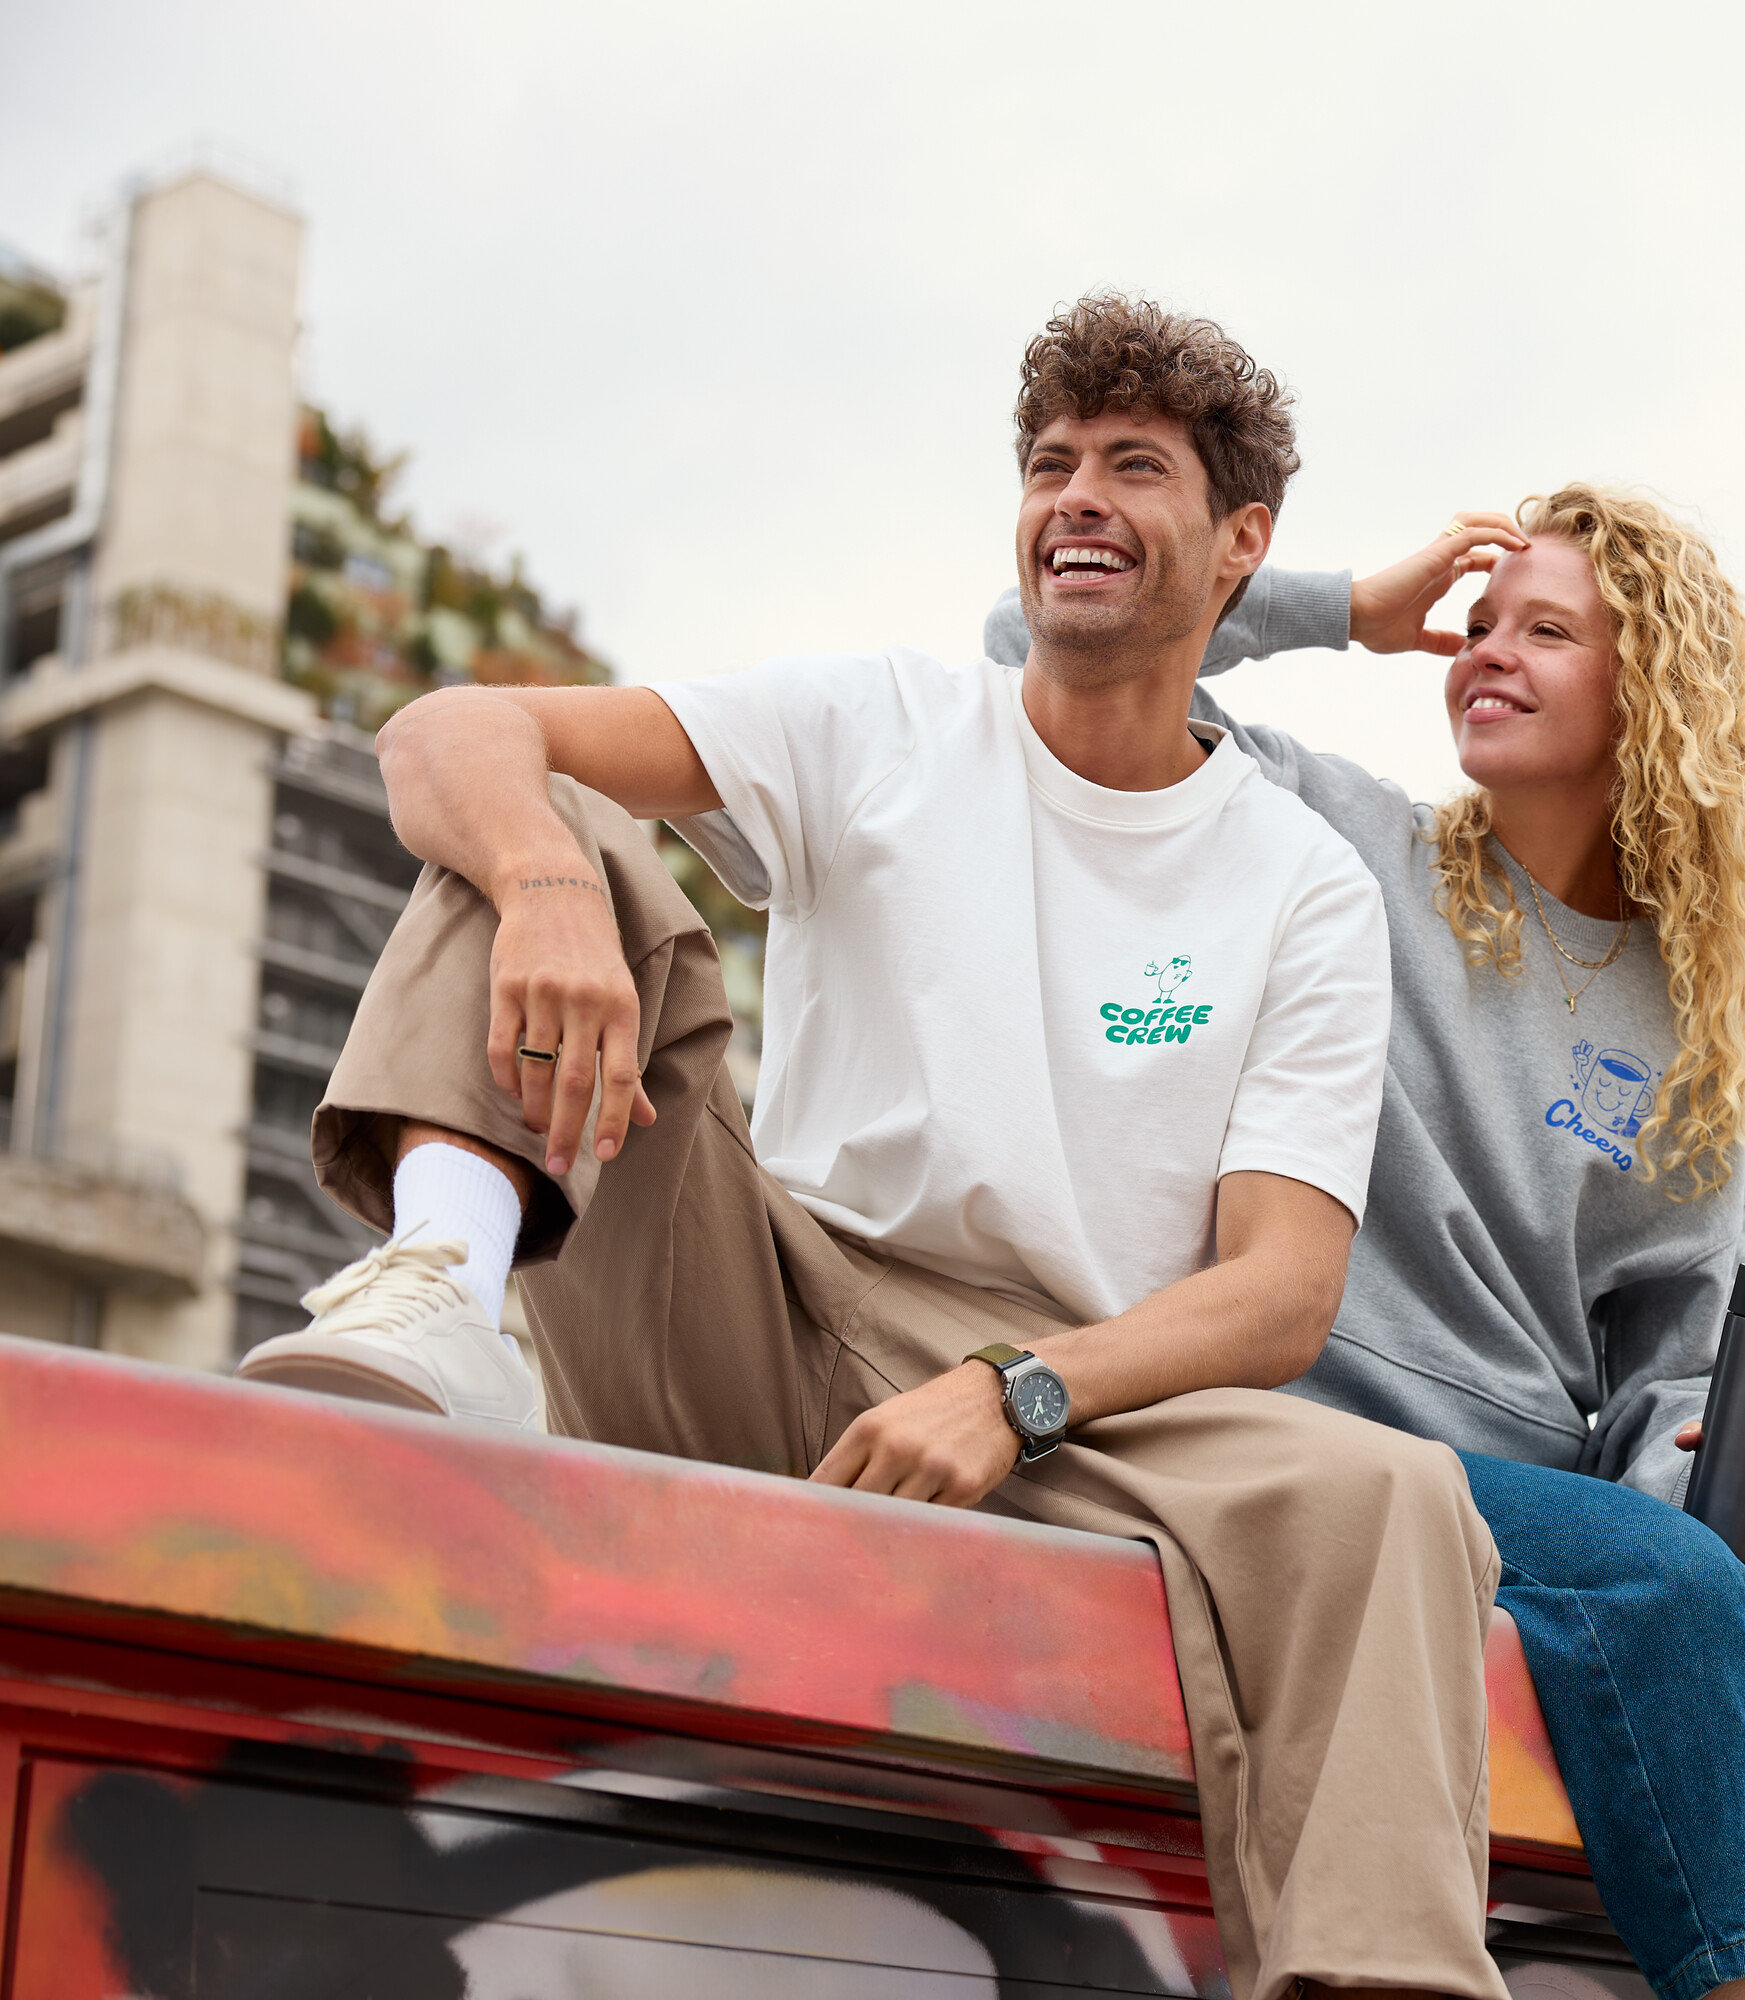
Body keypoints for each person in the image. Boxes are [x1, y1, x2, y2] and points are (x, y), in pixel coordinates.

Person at [236, 295, 1511, 2000]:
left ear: (1242, 545)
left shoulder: (1304, 887)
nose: (1077, 496)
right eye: (1051, 462)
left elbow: (1282, 1293)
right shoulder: (882, 724)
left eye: (1135, 466)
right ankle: (440, 1294)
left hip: (1072, 1404)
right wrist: (544, 887)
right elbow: (445, 732)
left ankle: (1378, 1985)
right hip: (767, 1299)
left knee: (1403, 1495)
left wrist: (1014, 1395)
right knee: (553, 809)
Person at [985, 489, 1745, 2000]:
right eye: (1480, 624)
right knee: (1665, 1583)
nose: (1484, 652)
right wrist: (1342, 608)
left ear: (1652, 697)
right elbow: (1047, 653)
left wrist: (1718, 1482)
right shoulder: (1341, 847)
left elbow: (1680, 1368)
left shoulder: (1699, 1032)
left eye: (1547, 631)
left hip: (1565, 1512)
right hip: (1326, 1454)